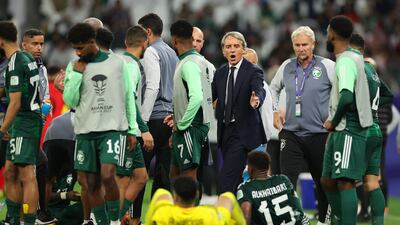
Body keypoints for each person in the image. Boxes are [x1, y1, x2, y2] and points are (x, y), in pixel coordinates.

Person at [63, 23, 138, 225]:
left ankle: (114, 221)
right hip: (85, 131)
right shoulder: (74, 66)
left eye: (81, 48)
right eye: (75, 49)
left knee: (107, 174)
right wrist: (77, 74)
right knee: (90, 182)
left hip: (112, 129)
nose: (78, 52)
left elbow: (128, 97)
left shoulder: (117, 62)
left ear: (92, 42)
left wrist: (132, 128)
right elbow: (70, 101)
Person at [269, 26, 334, 225]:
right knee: (286, 181)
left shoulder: (328, 66)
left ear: (313, 44)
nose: (301, 48)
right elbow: (273, 88)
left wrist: (333, 116)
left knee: (322, 182)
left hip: (319, 134)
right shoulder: (286, 66)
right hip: (291, 134)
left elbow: (341, 92)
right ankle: (295, 219)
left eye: (305, 44)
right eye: (297, 45)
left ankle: (323, 220)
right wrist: (274, 110)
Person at [321, 15, 373, 225]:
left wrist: (333, 121)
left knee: (344, 182)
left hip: (348, 127)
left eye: (327, 32)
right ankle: (340, 218)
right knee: (327, 179)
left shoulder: (345, 61)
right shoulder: (354, 57)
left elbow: (347, 96)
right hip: (343, 129)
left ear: (332, 34)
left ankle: (345, 222)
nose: (326, 35)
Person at [212, 31, 266, 194]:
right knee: (235, 181)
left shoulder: (253, 71)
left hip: (243, 132)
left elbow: (259, 89)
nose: (232, 50)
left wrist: (256, 100)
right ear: (223, 51)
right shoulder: (220, 73)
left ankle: (224, 215)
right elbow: (211, 99)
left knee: (226, 180)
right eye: (228, 47)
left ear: (243, 49)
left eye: (236, 46)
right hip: (225, 131)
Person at [0, 21, 42, 225]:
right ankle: (13, 219)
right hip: (23, 122)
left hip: (25, 122)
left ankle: (30, 220)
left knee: (26, 173)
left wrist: (2, 129)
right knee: (9, 170)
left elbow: (15, 102)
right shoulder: (25, 58)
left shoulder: (17, 61)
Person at [350, 33, 393, 224]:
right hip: (376, 131)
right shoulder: (373, 71)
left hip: (360, 129)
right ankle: (377, 219)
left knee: (348, 178)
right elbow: (389, 95)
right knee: (373, 180)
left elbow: (345, 99)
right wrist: (373, 107)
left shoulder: (356, 68)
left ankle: (359, 214)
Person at [164, 20, 213, 182]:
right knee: (175, 174)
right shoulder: (194, 60)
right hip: (189, 125)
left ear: (174, 41)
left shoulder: (189, 64)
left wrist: (182, 123)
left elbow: (197, 97)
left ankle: (191, 207)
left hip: (191, 127)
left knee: (187, 177)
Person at [138, 13, 178, 195]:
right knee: (165, 174)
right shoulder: (172, 52)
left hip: (153, 118)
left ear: (148, 31)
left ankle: (135, 220)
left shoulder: (150, 52)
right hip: (169, 119)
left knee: (138, 174)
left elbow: (153, 87)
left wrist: (143, 123)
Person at [117, 25, 153, 225]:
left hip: (125, 127)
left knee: (140, 176)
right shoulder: (130, 66)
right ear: (145, 43)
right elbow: (129, 100)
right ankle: (112, 218)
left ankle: (116, 214)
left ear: (126, 43)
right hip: (125, 130)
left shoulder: (120, 61)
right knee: (123, 179)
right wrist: (144, 129)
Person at [20, 29, 56, 225]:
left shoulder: (41, 67)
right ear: (24, 45)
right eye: (35, 44)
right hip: (18, 127)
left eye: (42, 44)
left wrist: (45, 109)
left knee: (36, 165)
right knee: (26, 169)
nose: (39, 48)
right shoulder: (16, 65)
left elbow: (45, 96)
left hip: (32, 126)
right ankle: (34, 214)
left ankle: (34, 213)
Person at [237, 150, 309, 225]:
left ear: (250, 168)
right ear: (268, 167)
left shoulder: (246, 188)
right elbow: (298, 208)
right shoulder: (283, 180)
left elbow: (246, 215)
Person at [144, 175, 246, 225]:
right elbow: (228, 199)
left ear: (175, 196)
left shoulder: (162, 213)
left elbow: (161, 194)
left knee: (161, 192)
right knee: (227, 196)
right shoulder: (210, 216)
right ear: (197, 195)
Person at [43, 111, 85, 225]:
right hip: (52, 209)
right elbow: (39, 193)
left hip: (64, 211)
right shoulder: (51, 169)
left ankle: (46, 218)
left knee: (86, 205)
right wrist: (65, 195)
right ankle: (44, 216)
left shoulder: (74, 169)